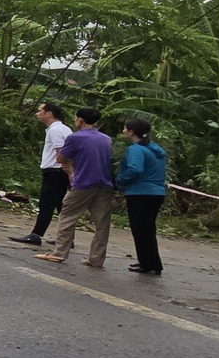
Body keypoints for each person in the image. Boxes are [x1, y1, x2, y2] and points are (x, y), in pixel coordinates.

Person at [37, 107, 116, 268]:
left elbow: (60, 157)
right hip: (104, 183)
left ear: (80, 120)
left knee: (67, 216)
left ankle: (59, 253)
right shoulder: (106, 139)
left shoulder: (75, 138)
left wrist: (71, 168)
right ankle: (96, 258)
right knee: (102, 223)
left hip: (83, 182)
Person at [9, 102, 73, 247]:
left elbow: (60, 151)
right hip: (61, 171)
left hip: (55, 171)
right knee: (61, 205)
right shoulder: (65, 128)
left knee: (46, 204)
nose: (38, 114)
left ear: (49, 113)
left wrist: (67, 168)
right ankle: (67, 238)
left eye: (40, 111)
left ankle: (36, 234)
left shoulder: (54, 130)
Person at [117, 118, 168, 276]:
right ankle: (151, 261)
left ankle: (147, 263)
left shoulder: (136, 149)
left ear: (132, 132)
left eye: (125, 128)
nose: (123, 130)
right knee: (148, 229)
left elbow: (135, 169)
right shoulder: (155, 149)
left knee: (140, 229)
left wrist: (120, 180)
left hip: (140, 192)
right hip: (156, 192)